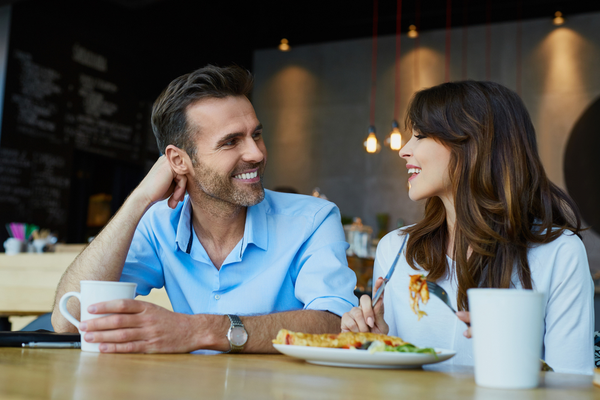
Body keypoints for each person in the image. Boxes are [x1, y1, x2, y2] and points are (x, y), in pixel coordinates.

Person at [51, 65, 357, 353]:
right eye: (231, 142)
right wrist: (139, 199)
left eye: (256, 135)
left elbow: (335, 323)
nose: (256, 153)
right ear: (179, 161)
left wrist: (197, 330)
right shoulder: (158, 224)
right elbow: (69, 320)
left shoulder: (314, 219)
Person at [341, 81, 594, 375]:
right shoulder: (396, 249)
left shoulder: (560, 254)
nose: (404, 151)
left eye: (420, 136)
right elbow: (392, 375)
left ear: (473, 145)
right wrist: (373, 342)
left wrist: (514, 351)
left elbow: (571, 386)